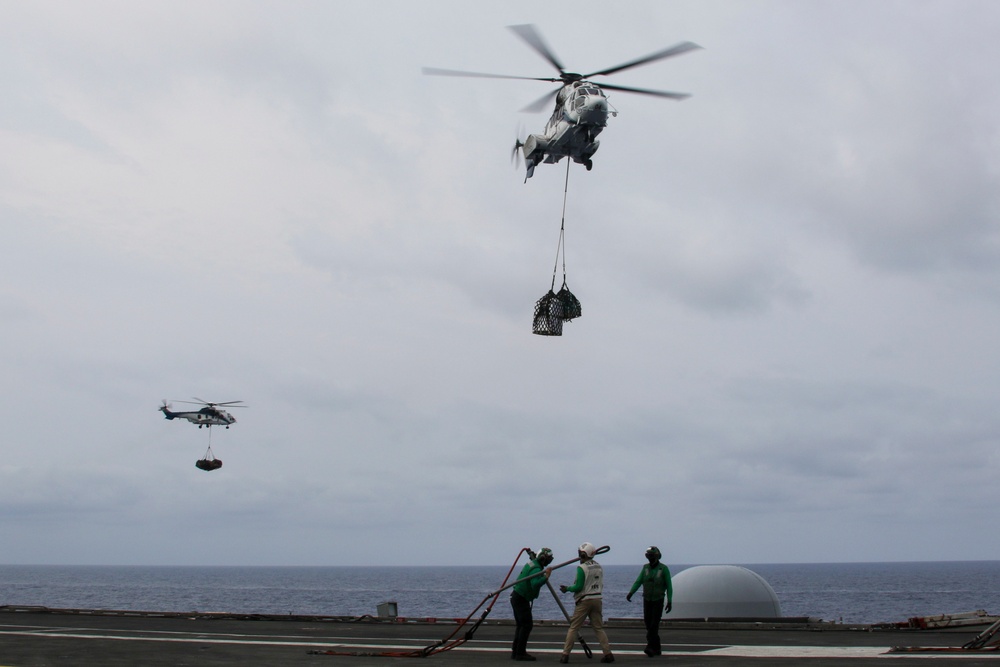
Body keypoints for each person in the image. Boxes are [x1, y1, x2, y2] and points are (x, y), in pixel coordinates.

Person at [558, 542, 614, 664]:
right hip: (597, 599)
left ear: (583, 554)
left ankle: (565, 655)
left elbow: (578, 587)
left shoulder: (582, 568)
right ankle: (608, 653)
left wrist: (567, 589)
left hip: (584, 600)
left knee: (573, 627)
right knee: (598, 628)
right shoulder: (599, 566)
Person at [626, 546, 673, 657]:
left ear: (656, 556)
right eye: (648, 556)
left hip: (658, 600)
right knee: (648, 624)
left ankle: (650, 647)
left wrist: (669, 601)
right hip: (647, 600)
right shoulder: (645, 568)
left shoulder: (663, 569)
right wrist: (631, 592)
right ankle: (657, 648)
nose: (649, 558)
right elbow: (639, 581)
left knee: (653, 625)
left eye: (651, 556)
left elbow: (669, 586)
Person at [510, 547, 554, 661]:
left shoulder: (533, 564)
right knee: (526, 625)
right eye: (548, 559)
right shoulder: (536, 569)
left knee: (521, 625)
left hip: (517, 596)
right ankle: (520, 653)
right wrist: (546, 576)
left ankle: (516, 651)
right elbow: (535, 584)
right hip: (521, 598)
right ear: (543, 559)